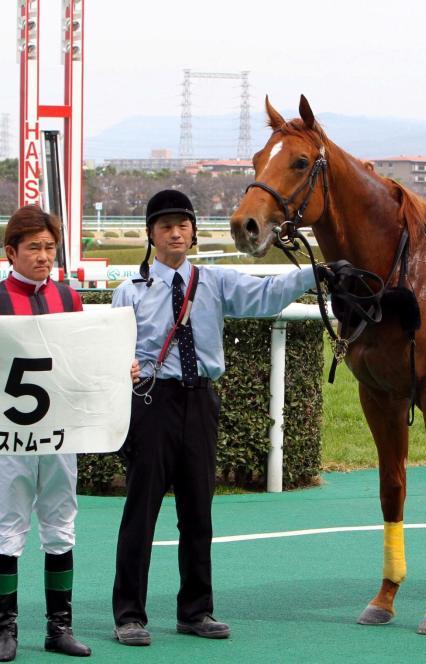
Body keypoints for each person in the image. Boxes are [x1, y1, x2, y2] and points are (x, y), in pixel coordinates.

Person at [110, 190, 317, 646]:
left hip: (201, 401)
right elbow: (110, 350)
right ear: (151, 234)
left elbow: (265, 296)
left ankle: (196, 611)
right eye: (165, 225)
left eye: (182, 224)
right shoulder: (130, 290)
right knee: (140, 514)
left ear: (193, 232)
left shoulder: (215, 280)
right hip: (151, 403)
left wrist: (312, 274)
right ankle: (129, 615)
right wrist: (121, 365)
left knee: (198, 514)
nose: (175, 232)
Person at [0, 205, 91, 661]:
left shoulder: (71, 299)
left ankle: (60, 628)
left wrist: (118, 368)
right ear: (11, 251)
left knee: (61, 527)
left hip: (60, 434)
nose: (43, 256)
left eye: (50, 247)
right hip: (10, 435)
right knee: (8, 527)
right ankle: (6, 632)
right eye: (33, 247)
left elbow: (83, 360)